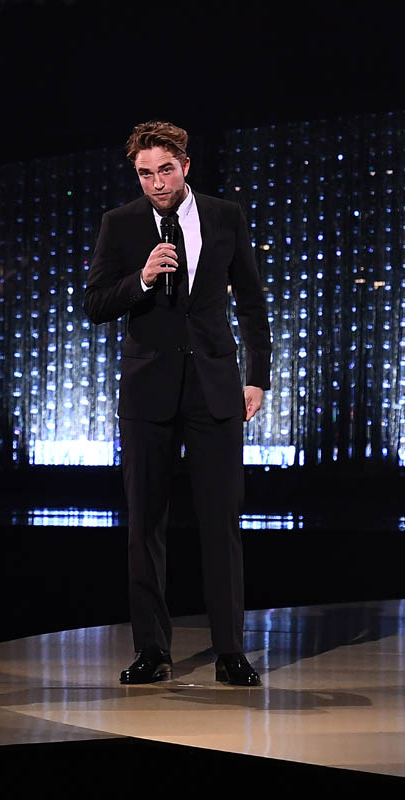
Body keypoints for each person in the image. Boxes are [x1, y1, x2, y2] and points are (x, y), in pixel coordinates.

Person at [84, 121, 271, 686]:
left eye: (165, 170)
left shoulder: (225, 216)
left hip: (215, 389)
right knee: (145, 525)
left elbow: (252, 303)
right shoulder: (120, 224)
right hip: (148, 392)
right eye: (145, 174)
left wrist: (257, 378)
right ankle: (152, 651)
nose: (156, 183)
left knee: (222, 522)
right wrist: (141, 280)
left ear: (185, 166)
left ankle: (230, 652)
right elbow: (95, 303)